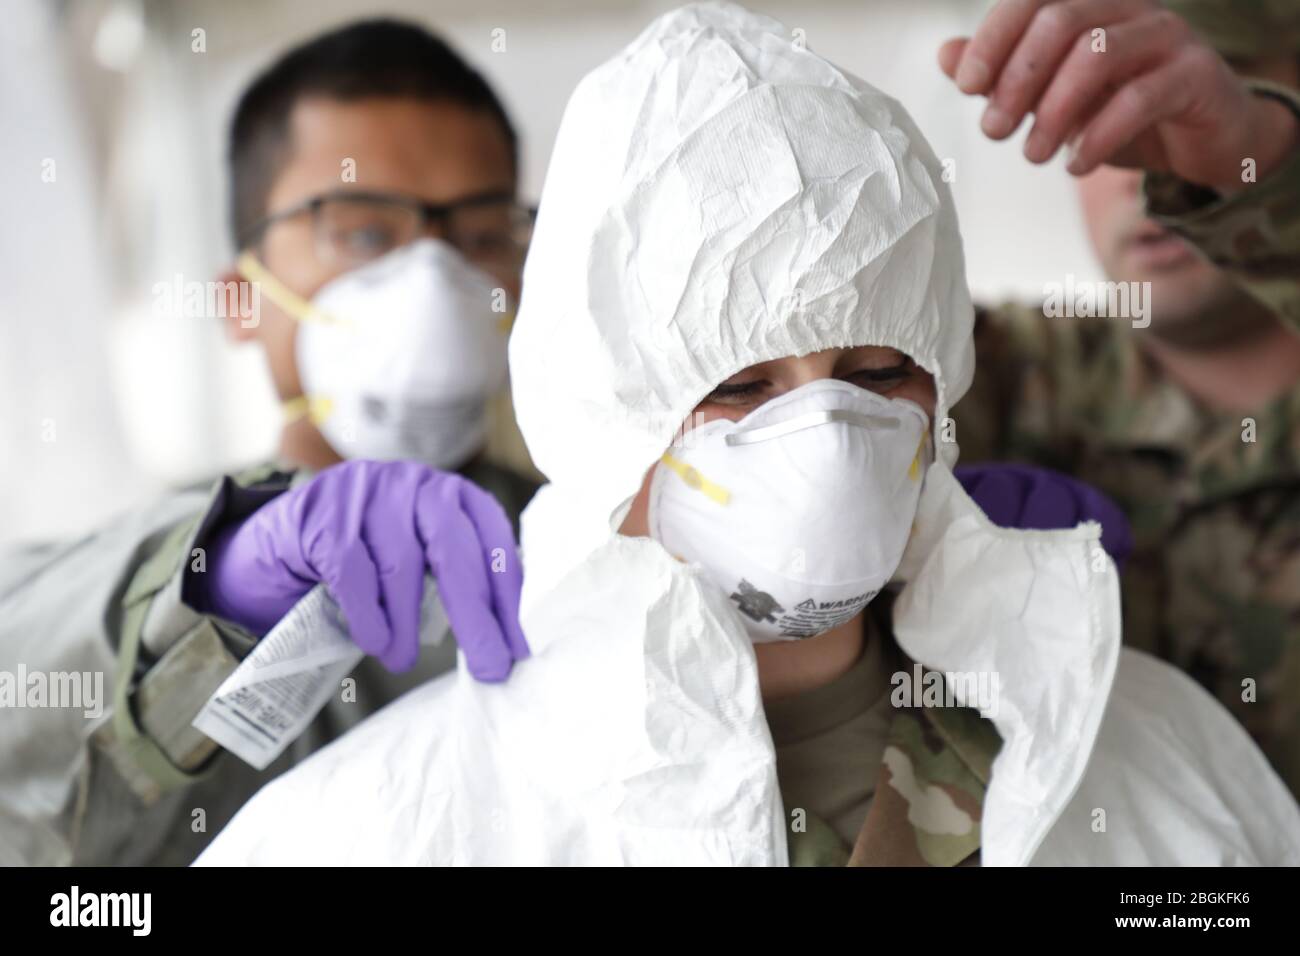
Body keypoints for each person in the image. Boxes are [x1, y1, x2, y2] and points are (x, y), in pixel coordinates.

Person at [194, 3, 1300, 867]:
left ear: (945, 390)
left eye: (877, 371)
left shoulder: (1142, 748)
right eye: (736, 386)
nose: (823, 429)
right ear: (603, 410)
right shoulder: (382, 824)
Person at [0, 19, 535, 865]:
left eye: (481, 235)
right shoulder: (164, 563)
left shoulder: (589, 543)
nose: (435, 283)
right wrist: (213, 593)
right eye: (361, 231)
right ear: (242, 301)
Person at [944, 0, 1300, 796]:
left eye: (1192, 96)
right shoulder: (1000, 374)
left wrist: (1265, 171)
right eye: (1099, 100)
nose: (1152, 166)